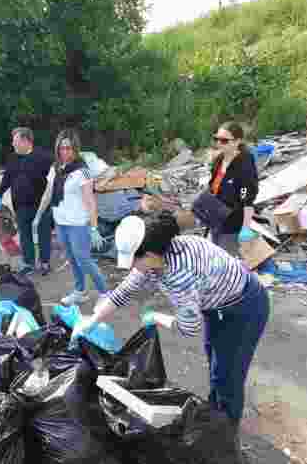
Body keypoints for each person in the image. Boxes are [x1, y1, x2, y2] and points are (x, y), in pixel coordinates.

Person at [72, 214, 269, 429]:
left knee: (227, 376)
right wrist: (92, 321)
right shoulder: (160, 253)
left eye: (135, 261)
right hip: (218, 304)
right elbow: (125, 290)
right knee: (216, 360)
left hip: (243, 310)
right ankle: (217, 413)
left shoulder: (178, 276)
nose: (132, 268)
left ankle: (226, 433)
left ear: (148, 255)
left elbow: (189, 328)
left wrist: (156, 317)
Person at [35, 128, 107, 306]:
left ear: (75, 148)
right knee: (72, 259)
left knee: (84, 259)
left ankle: (106, 293)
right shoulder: (56, 168)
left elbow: (90, 201)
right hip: (61, 223)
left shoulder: (82, 171)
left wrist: (94, 227)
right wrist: (38, 216)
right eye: (61, 148)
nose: (65, 152)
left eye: (68, 148)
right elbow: (48, 193)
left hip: (78, 224)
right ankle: (80, 291)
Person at [0, 127, 55, 276]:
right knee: (25, 234)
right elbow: (7, 178)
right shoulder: (13, 158)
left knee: (44, 234)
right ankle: (28, 263)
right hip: (21, 205)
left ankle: (45, 262)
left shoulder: (44, 157)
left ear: (26, 141)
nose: (13, 145)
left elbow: (54, 180)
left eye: (15, 142)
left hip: (41, 205)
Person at [206, 122, 259, 257]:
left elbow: (247, 197)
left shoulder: (244, 163)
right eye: (216, 139)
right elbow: (213, 187)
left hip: (232, 224)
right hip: (216, 219)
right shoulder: (219, 160)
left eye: (224, 140)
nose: (219, 143)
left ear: (237, 141)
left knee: (228, 262)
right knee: (216, 258)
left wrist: (245, 227)